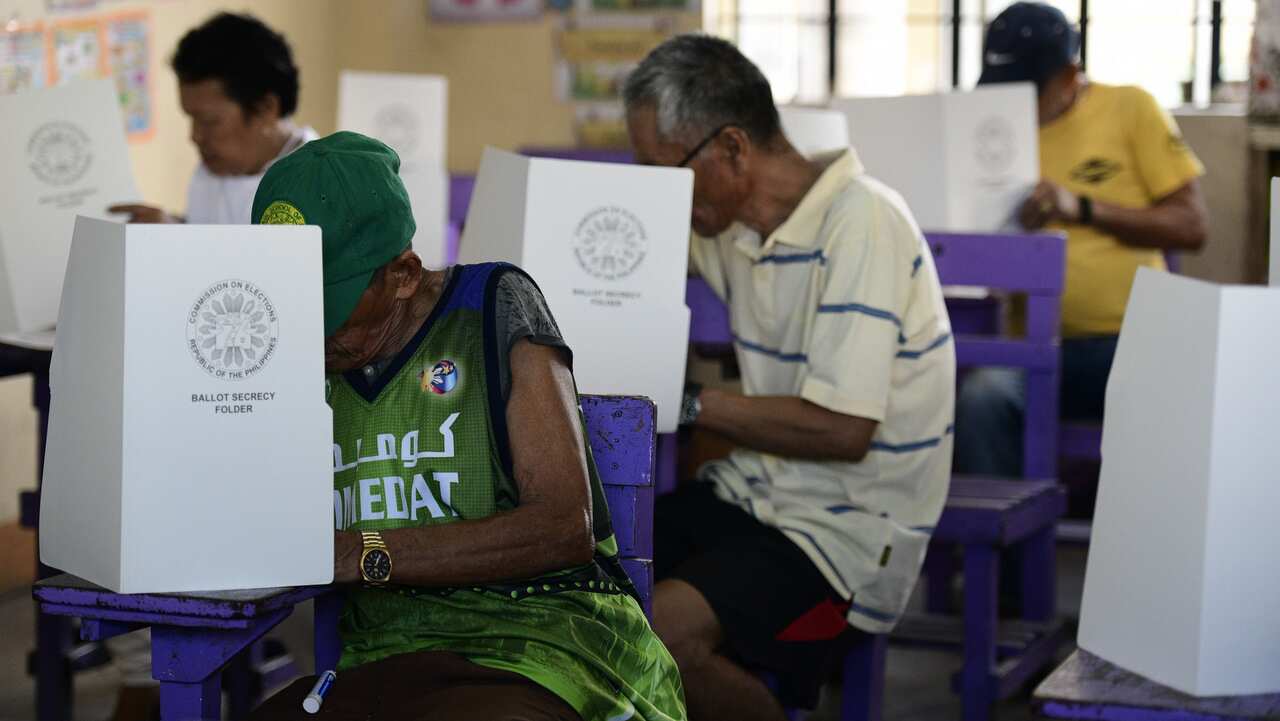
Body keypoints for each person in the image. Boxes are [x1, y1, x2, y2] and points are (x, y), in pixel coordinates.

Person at [247, 132, 685, 721]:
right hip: (388, 656)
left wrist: (362, 554)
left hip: (543, 647)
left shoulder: (493, 305)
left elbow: (562, 526)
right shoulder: (290, 360)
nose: (306, 334)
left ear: (403, 274)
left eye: (327, 311)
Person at [623, 35, 955, 721]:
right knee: (580, 570)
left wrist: (684, 403)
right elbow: (617, 250)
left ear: (734, 150)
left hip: (852, 532)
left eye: (669, 173)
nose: (665, 197)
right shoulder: (733, 226)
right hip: (762, 494)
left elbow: (844, 429)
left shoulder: (863, 222)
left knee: (653, 634)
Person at [954, 2, 1209, 478]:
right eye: (1004, 88)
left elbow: (1192, 227)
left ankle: (1139, 543)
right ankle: (1007, 543)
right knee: (981, 396)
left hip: (1130, 340)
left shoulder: (1130, 108)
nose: (1018, 102)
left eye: (1032, 89)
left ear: (1071, 76)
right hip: (1035, 344)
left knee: (1176, 397)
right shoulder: (990, 133)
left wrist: (1083, 208)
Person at [110, 12, 316, 225]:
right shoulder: (214, 168)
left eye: (209, 121)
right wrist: (172, 227)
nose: (195, 136)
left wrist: (180, 240)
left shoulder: (317, 188)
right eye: (190, 118)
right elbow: (209, 231)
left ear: (266, 108)